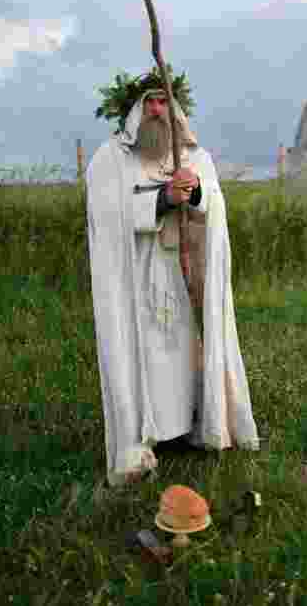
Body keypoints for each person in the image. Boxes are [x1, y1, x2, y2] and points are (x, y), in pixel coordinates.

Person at [86, 86, 259, 488]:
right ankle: (145, 433)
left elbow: (213, 203)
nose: (156, 110)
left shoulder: (195, 156)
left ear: (175, 108)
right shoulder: (111, 158)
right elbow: (105, 213)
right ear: (132, 111)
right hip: (138, 276)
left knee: (188, 349)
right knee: (146, 350)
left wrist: (195, 191)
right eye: (148, 103)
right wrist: (161, 200)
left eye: (163, 101)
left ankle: (195, 425)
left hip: (186, 274)